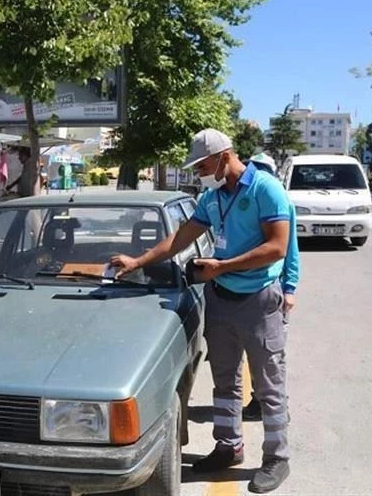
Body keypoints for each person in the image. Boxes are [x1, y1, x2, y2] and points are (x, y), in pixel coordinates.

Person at [110, 129, 293, 493]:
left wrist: (222, 267)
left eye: (203, 165)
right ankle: (228, 447)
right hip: (221, 299)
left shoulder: (265, 189)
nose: (199, 173)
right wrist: (138, 260)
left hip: (259, 299)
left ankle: (277, 457)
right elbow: (180, 237)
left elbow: (278, 247)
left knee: (269, 382)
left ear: (225, 157)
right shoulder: (212, 197)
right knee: (225, 382)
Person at [240, 152, 300, 422]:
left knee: (270, 356)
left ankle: (277, 406)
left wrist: (290, 288)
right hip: (244, 290)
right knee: (252, 355)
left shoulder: (279, 200)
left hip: (270, 287)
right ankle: (257, 399)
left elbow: (289, 251)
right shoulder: (244, 199)